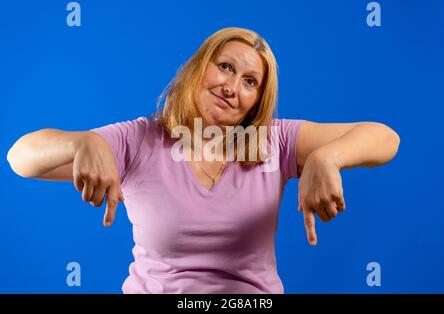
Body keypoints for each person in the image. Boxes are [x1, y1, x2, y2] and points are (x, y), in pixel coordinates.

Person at [6, 27, 400, 293]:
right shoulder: (140, 139)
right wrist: (84, 143)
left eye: (250, 82)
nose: (232, 87)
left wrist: (325, 158)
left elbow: (385, 138)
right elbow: (20, 157)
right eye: (225, 67)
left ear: (256, 102)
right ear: (199, 68)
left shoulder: (275, 141)